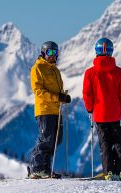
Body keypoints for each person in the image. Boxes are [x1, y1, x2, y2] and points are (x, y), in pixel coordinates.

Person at [82, 37, 121, 181]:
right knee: (118, 142)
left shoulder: (90, 73)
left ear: (96, 52)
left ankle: (108, 172)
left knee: (105, 144)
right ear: (111, 51)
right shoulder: (119, 72)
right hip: (115, 114)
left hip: (100, 115)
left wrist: (90, 109)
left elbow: (87, 94)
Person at [28, 41, 71, 179]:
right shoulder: (37, 68)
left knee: (56, 140)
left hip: (56, 110)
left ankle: (45, 169)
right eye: (50, 53)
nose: (53, 56)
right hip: (45, 109)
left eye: (55, 53)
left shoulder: (55, 70)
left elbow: (56, 90)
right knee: (46, 139)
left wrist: (63, 97)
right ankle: (36, 168)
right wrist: (57, 97)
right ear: (43, 53)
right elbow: (38, 91)